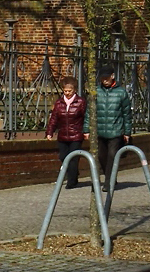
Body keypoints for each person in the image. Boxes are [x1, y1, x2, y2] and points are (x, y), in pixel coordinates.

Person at [87, 64, 132, 192]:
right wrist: (86, 129)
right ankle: (111, 177)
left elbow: (126, 113)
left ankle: (108, 183)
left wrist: (127, 132)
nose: (105, 80)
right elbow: (89, 112)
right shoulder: (96, 91)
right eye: (102, 78)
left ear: (112, 76)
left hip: (115, 131)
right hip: (100, 131)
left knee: (112, 156)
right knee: (101, 156)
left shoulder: (121, 93)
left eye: (107, 77)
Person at [45, 77, 87, 188]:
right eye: (65, 91)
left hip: (76, 135)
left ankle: (71, 181)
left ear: (74, 91)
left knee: (73, 158)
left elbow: (86, 117)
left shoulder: (81, 102)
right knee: (63, 157)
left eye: (70, 91)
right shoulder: (59, 103)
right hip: (63, 134)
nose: (67, 93)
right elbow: (54, 118)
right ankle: (73, 173)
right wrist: (50, 132)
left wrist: (86, 131)